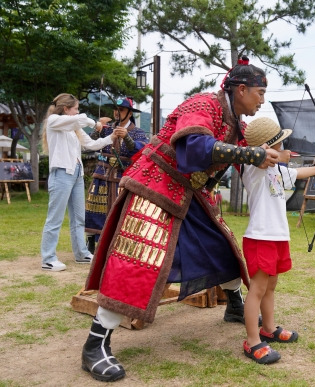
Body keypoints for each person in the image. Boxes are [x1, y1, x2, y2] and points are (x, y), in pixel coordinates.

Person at [80, 56, 281, 382]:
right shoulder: (202, 105)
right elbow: (195, 146)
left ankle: (234, 305)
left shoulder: (235, 126)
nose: (262, 100)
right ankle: (95, 344)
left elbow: (252, 152)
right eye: (260, 93)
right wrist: (249, 154)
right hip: (154, 185)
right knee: (137, 260)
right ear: (241, 89)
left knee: (220, 246)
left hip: (189, 191)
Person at [240, 117, 315, 364]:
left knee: (270, 286)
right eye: (280, 144)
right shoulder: (253, 167)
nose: (284, 148)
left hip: (277, 237)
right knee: (257, 289)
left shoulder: (277, 170)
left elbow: (298, 171)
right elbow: (260, 156)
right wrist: (275, 154)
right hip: (260, 237)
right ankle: (252, 342)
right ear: (268, 146)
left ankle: (268, 329)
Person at [40, 93, 120, 271]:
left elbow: (91, 144)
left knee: (78, 218)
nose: (78, 111)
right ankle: (48, 258)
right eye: (75, 108)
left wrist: (111, 137)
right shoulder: (53, 120)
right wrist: (95, 123)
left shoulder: (74, 127)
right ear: (66, 109)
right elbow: (81, 119)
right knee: (55, 218)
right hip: (61, 173)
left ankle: (81, 253)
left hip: (76, 174)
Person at [85, 97, 149, 253]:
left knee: (123, 210)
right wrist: (97, 127)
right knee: (96, 208)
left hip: (123, 177)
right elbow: (88, 145)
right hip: (103, 174)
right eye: (115, 109)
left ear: (129, 113)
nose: (117, 112)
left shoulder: (138, 132)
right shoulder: (107, 128)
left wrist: (127, 137)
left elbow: (141, 151)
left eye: (120, 110)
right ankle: (93, 241)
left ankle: (120, 244)